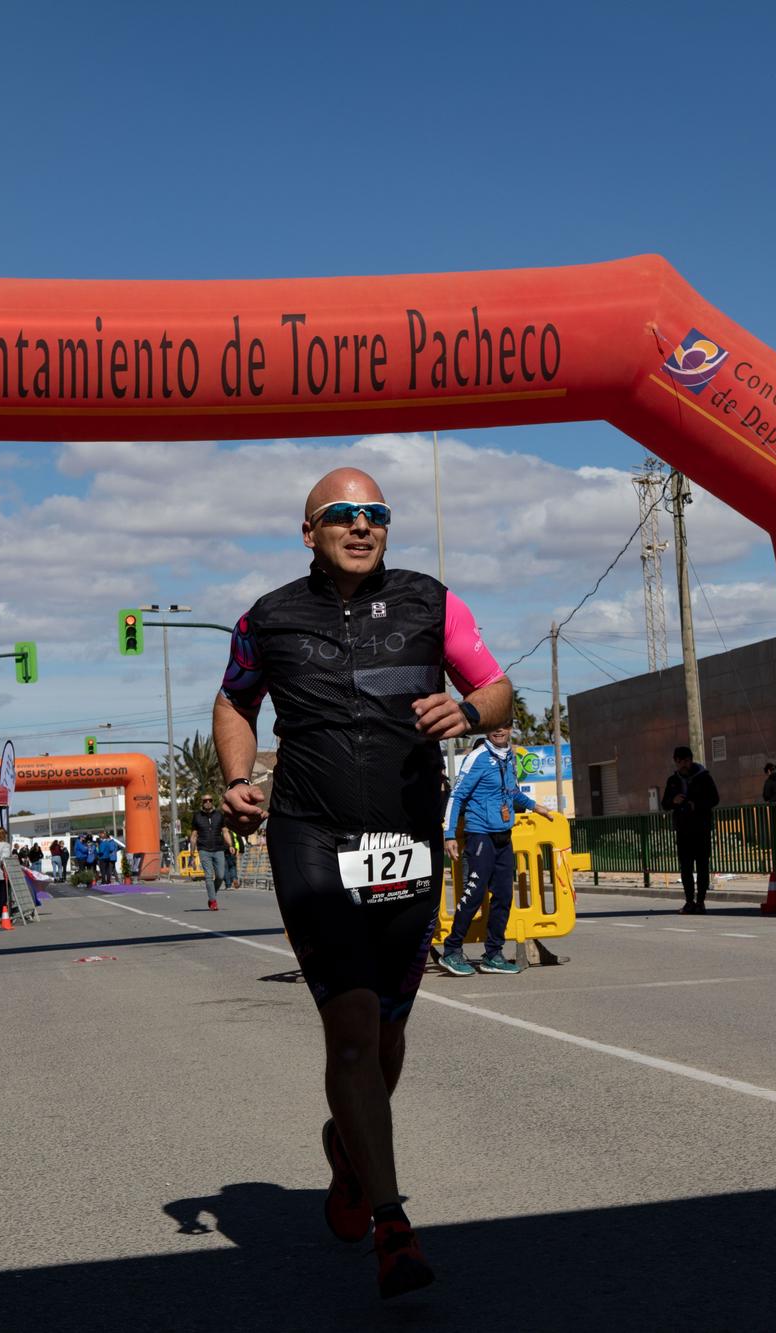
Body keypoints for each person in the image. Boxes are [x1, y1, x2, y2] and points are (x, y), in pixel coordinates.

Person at [214, 466, 511, 1299]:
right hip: (310, 833)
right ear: (307, 531)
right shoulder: (266, 618)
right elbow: (235, 702)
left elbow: (496, 685)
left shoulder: (431, 602)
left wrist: (475, 711)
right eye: (341, 513)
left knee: (385, 1037)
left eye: (375, 513)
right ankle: (393, 1224)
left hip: (407, 838)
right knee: (347, 1027)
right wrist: (238, 777)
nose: (361, 524)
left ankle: (349, 1147)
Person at [436, 724, 537, 976]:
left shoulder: (510, 756)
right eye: (493, 727)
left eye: (503, 726)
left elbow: (512, 792)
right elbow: (456, 796)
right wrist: (450, 835)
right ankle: (452, 950)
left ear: (512, 729)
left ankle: (493, 954)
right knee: (474, 892)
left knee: (503, 896)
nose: (499, 731)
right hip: (480, 834)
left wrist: (538, 807)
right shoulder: (477, 757)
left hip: (504, 836)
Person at [663, 746, 719, 914]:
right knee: (685, 867)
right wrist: (674, 800)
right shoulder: (672, 781)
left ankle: (700, 902)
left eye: (687, 761)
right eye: (680, 762)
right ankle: (689, 901)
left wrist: (697, 804)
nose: (684, 765)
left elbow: (714, 799)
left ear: (691, 760)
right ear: (676, 762)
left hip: (701, 828)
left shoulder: (704, 778)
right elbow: (664, 804)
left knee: (703, 866)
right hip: (683, 830)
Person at [193, 793, 235, 911]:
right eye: (205, 800)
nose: (207, 802)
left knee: (221, 876)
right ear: (202, 803)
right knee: (208, 876)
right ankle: (213, 901)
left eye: (209, 800)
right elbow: (194, 835)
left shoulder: (219, 815)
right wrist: (192, 851)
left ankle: (212, 894)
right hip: (203, 849)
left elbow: (225, 831)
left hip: (218, 849)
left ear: (212, 802)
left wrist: (230, 845)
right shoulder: (197, 816)